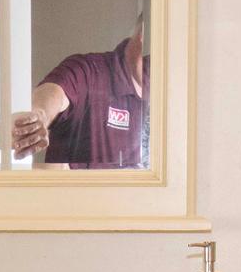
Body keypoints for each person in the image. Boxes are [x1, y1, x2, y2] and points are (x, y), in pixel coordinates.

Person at [8, 22, 149, 170]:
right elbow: (56, 91)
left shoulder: (169, 94)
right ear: (142, 36)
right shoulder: (91, 71)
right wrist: (39, 115)